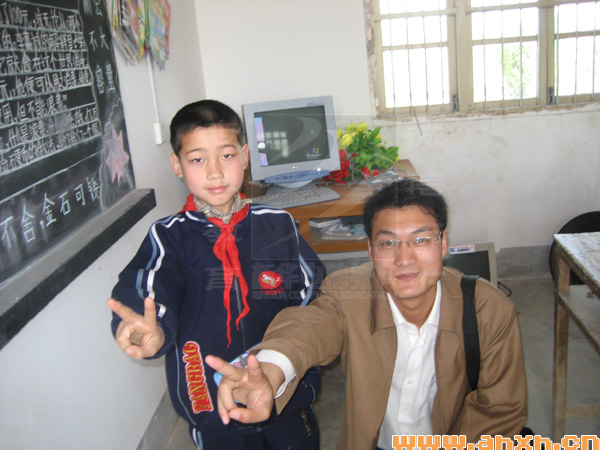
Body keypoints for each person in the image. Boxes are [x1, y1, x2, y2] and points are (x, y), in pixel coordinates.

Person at [206, 178, 528, 450]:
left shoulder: (487, 309)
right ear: (371, 251)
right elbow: (311, 325)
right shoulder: (349, 292)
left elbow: (500, 412)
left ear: (443, 244)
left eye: (420, 240)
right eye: (388, 244)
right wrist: (273, 367)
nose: (404, 259)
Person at [107, 100, 324, 450]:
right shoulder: (169, 237)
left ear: (245, 156)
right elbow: (150, 285)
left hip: (285, 396)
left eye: (226, 155)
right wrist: (149, 326)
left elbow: (311, 286)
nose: (215, 172)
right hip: (211, 405)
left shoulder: (278, 223)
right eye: (197, 159)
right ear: (177, 165)